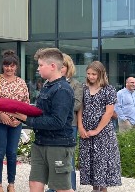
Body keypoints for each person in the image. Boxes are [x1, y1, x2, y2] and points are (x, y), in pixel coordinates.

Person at [10, 48, 75, 192]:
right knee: (34, 183)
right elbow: (41, 113)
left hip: (58, 145)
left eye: (40, 65)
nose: (38, 69)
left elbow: (57, 122)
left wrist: (27, 119)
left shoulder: (62, 89)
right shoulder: (48, 87)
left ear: (52, 66)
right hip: (41, 142)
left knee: (62, 187)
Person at [0, 51, 29, 192]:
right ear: (2, 66)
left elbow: (26, 104)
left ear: (16, 67)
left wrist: (18, 119)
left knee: (12, 153)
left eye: (12, 66)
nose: (9, 69)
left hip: (16, 124)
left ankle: (11, 184)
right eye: (6, 65)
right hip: (0, 122)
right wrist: (1, 114)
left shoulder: (21, 83)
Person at [78, 61, 122, 191]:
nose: (91, 76)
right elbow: (80, 108)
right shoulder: (83, 88)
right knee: (89, 161)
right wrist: (80, 127)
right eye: (88, 74)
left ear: (101, 74)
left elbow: (109, 113)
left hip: (103, 132)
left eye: (94, 74)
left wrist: (97, 130)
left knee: (102, 162)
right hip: (86, 131)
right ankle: (94, 188)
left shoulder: (109, 90)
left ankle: (102, 189)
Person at [47, 54, 83, 192]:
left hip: (69, 126)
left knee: (68, 159)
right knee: (53, 157)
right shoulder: (49, 83)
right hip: (52, 124)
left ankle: (70, 187)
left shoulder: (76, 85)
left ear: (68, 68)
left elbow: (77, 105)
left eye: (63, 66)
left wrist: (59, 106)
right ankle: (54, 187)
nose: (60, 69)